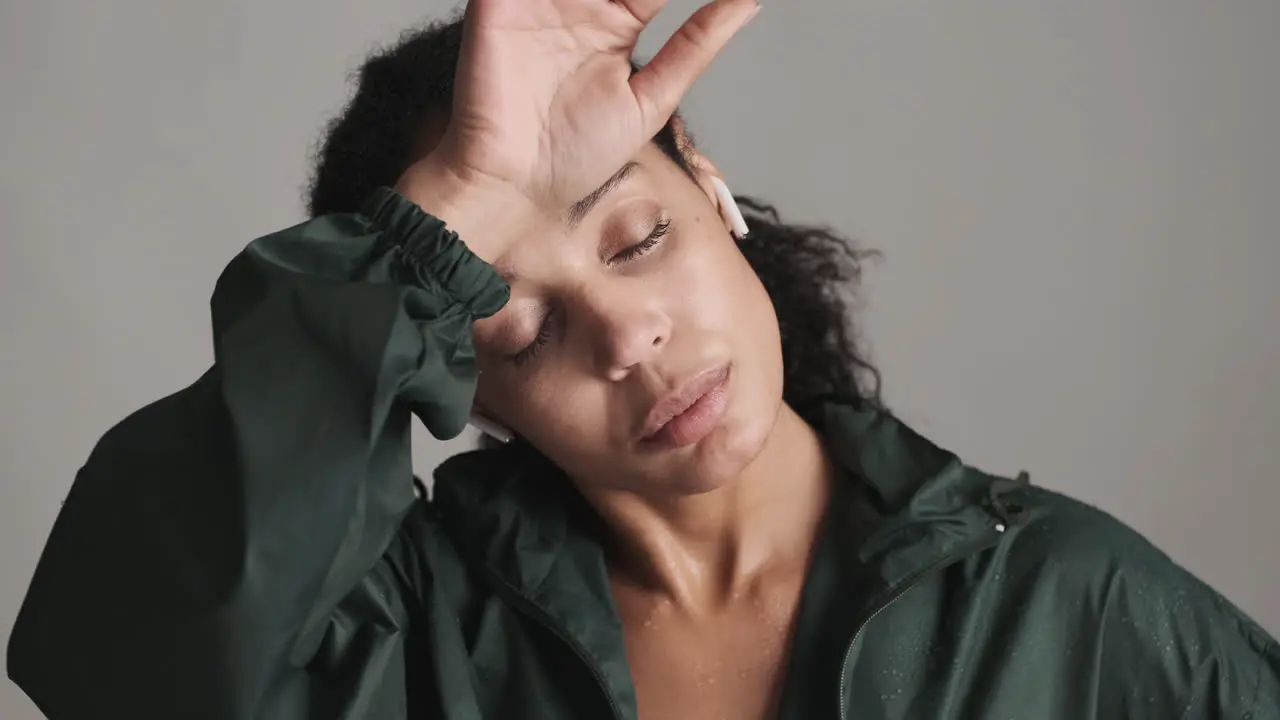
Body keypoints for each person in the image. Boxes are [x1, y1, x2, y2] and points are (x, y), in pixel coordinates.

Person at [8, 0, 1279, 718]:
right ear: (467, 390)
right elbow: (117, 671)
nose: (625, 339)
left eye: (637, 238)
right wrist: (437, 224)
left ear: (713, 196)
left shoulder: (1067, 607)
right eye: (523, 328)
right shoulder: (410, 648)